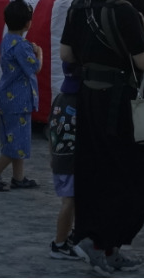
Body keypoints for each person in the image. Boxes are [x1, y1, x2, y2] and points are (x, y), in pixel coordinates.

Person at [59, 0, 144, 274]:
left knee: (95, 171)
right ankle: (108, 243)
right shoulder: (123, 10)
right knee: (134, 175)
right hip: (121, 101)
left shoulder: (78, 8)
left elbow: (66, 54)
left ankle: (97, 240)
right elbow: (143, 60)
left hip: (89, 99)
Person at [0, 0, 43, 190]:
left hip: (8, 96)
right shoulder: (23, 45)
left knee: (17, 137)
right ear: (28, 23)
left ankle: (19, 178)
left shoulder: (7, 40)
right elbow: (35, 67)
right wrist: (39, 53)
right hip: (19, 99)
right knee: (17, 140)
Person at [47, 61, 84, 260]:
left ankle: (69, 237)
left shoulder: (60, 98)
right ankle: (59, 243)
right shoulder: (83, 101)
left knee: (71, 200)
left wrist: (51, 156)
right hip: (71, 161)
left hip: (59, 159)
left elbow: (50, 130)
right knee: (69, 202)